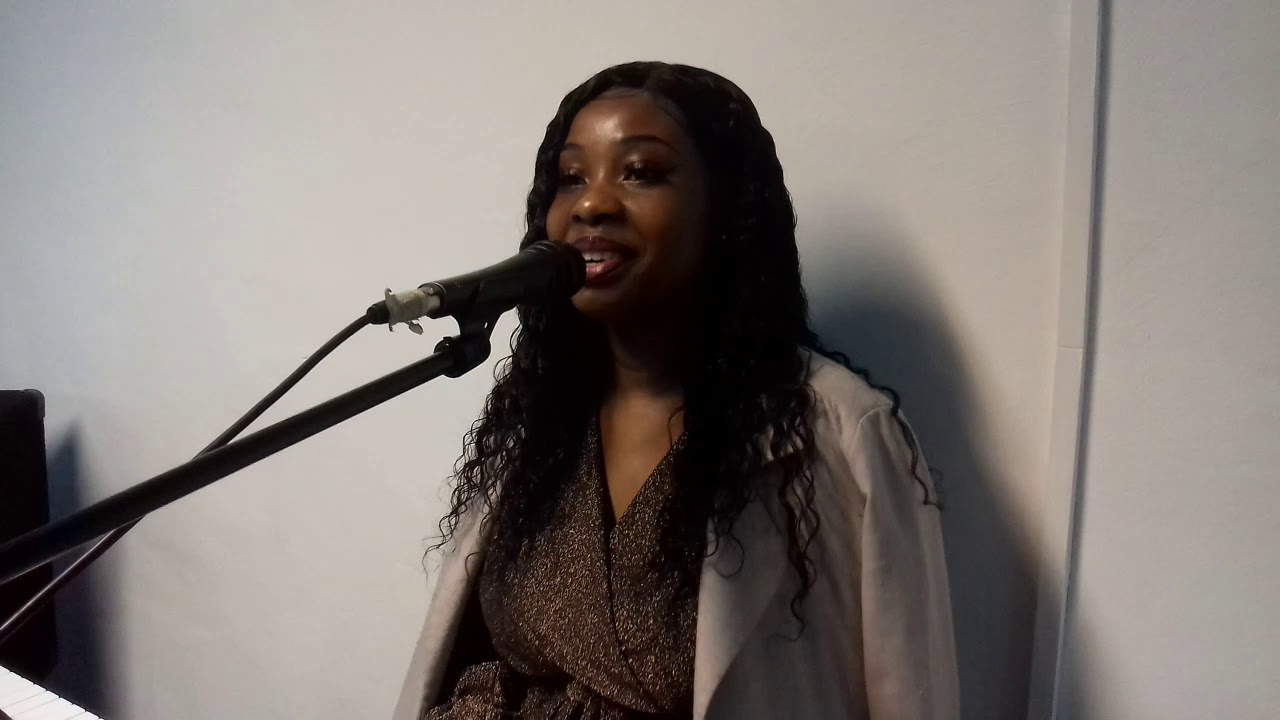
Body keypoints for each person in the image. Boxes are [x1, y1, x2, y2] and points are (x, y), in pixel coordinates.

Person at [393, 61, 958, 720]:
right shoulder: (538, 421)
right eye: (571, 178)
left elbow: (909, 694)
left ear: (726, 211)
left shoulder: (842, 434)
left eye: (640, 172)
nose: (592, 204)